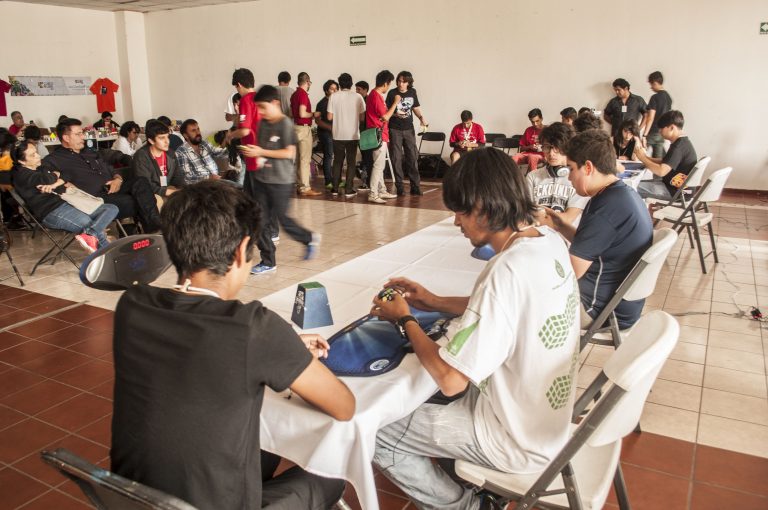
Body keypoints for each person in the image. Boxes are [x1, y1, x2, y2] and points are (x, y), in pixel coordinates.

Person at [111, 180, 354, 510]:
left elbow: (199, 345)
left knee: (259, 449)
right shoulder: (254, 328)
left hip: (133, 499)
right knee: (333, 475)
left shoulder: (132, 305)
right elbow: (343, 406)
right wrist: (280, 348)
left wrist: (282, 348)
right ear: (241, 251)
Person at [371, 147, 579, 510]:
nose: (456, 223)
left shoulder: (506, 268)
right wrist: (432, 301)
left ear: (483, 206)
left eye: (460, 212)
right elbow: (506, 309)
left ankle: (465, 506)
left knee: (372, 430)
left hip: (513, 438)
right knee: (421, 393)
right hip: (544, 421)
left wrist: (404, 318)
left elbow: (451, 378)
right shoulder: (548, 242)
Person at [540, 129, 653, 330]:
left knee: (524, 297)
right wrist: (559, 224)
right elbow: (592, 246)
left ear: (589, 167)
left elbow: (570, 272)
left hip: (598, 309)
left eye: (572, 169)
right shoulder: (622, 193)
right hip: (621, 304)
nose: (569, 178)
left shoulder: (605, 208)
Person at [241, 85, 321, 275]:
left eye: (262, 107)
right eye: (257, 108)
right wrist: (257, 156)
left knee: (283, 220)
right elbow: (261, 147)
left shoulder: (285, 124)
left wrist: (261, 152)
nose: (260, 112)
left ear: (275, 103)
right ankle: (268, 261)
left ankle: (309, 238)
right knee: (259, 220)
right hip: (262, 179)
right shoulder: (262, 124)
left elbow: (289, 152)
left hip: (281, 181)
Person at [42, 118, 162, 233]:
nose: (83, 137)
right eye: (78, 134)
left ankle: (153, 229)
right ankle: (152, 230)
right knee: (138, 200)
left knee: (140, 181)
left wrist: (117, 179)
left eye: (82, 133)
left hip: (114, 187)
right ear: (66, 138)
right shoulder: (54, 160)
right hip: (95, 198)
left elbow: (109, 168)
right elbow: (47, 179)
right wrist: (63, 184)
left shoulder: (90, 152)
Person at [11, 139, 118, 252]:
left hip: (68, 201)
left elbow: (67, 174)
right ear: (21, 161)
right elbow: (47, 178)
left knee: (111, 208)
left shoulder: (39, 167)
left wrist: (55, 183)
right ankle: (111, 256)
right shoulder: (21, 174)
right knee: (89, 224)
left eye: (36, 152)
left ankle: (91, 235)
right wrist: (55, 175)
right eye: (33, 155)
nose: (38, 156)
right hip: (51, 211)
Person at [527, 122, 589, 225]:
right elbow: (526, 213)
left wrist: (540, 219)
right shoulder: (533, 177)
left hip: (565, 239)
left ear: (569, 148)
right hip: (537, 236)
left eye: (557, 147)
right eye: (547, 147)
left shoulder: (579, 179)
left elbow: (568, 218)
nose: (551, 153)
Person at [634, 110, 697, 201]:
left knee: (630, 188)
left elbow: (661, 171)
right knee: (636, 183)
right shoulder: (683, 142)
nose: (659, 131)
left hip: (675, 192)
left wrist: (642, 158)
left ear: (671, 127)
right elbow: (666, 161)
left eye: (661, 128)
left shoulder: (678, 147)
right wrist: (646, 158)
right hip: (675, 188)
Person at [385, 71, 426, 196]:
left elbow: (415, 107)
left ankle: (415, 186)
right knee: (396, 158)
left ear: (408, 83)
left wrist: (421, 117)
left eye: (403, 82)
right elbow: (387, 111)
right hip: (395, 129)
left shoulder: (412, 92)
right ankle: (400, 187)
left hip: (409, 129)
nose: (400, 84)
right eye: (399, 81)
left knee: (412, 157)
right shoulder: (392, 93)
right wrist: (395, 113)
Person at [328, 73, 365, 197]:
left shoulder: (333, 96)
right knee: (351, 162)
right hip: (352, 135)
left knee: (337, 161)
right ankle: (349, 189)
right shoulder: (358, 96)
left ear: (339, 83)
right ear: (351, 83)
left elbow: (329, 117)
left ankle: (335, 188)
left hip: (337, 134)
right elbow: (362, 117)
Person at [366, 70, 400, 204]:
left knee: (379, 164)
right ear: (386, 83)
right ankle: (373, 193)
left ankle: (381, 189)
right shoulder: (376, 96)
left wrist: (393, 114)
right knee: (378, 165)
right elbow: (385, 117)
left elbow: (383, 114)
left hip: (379, 133)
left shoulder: (374, 95)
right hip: (378, 134)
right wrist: (396, 103)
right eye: (389, 84)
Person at [132, 120, 185, 205]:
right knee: (160, 201)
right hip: (150, 194)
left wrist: (182, 189)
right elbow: (145, 185)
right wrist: (167, 191)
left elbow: (178, 176)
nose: (167, 141)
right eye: (161, 138)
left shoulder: (170, 153)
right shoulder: (141, 156)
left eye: (167, 137)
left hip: (167, 189)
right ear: (151, 141)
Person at [290, 72, 322, 196]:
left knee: (298, 159)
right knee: (305, 159)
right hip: (303, 129)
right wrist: (314, 114)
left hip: (295, 127)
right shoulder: (303, 94)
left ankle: (299, 185)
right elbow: (303, 113)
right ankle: (305, 187)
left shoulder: (294, 94)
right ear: (307, 82)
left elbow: (293, 114)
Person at [175, 118, 230, 184]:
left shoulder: (204, 143)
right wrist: (208, 178)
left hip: (215, 182)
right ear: (185, 135)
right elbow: (187, 178)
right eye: (193, 130)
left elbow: (218, 153)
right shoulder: (181, 152)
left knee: (239, 188)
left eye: (198, 129)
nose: (198, 132)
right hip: (199, 187)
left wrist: (232, 148)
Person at [642, 71, 673, 158]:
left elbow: (650, 118)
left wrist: (644, 135)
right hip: (662, 133)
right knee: (658, 159)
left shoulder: (654, 97)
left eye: (651, 84)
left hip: (653, 132)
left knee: (639, 154)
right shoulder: (668, 98)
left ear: (655, 83)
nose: (651, 87)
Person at [315, 79, 338, 190]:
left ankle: (336, 179)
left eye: (336, 88)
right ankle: (328, 181)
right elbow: (318, 121)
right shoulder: (322, 103)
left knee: (337, 157)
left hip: (336, 133)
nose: (334, 90)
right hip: (325, 133)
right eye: (332, 88)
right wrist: (331, 128)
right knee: (328, 156)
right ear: (326, 90)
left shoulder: (337, 102)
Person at [512, 108, 545, 172]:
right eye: (532, 122)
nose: (535, 124)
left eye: (537, 121)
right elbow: (521, 149)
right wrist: (530, 147)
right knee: (515, 157)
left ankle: (530, 179)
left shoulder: (547, 130)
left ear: (541, 119)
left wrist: (541, 147)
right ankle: (514, 177)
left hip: (541, 155)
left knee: (532, 157)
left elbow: (552, 147)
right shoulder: (528, 130)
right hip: (527, 154)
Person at [355, 80, 372, 189]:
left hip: (368, 133)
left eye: (359, 89)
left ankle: (369, 182)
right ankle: (365, 181)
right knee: (365, 158)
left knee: (368, 158)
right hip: (360, 132)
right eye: (356, 89)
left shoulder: (369, 100)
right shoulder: (357, 101)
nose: (356, 91)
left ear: (365, 90)